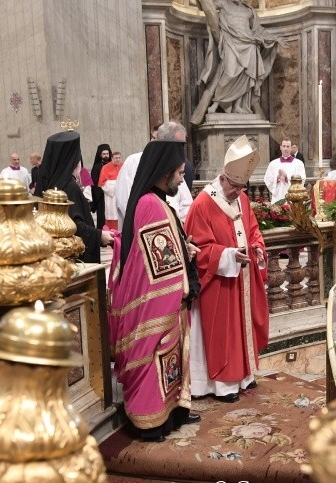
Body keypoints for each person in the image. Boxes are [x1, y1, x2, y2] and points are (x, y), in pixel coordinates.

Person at [108, 140, 201, 441]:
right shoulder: (149, 203)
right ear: (164, 172)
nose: (181, 179)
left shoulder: (158, 201)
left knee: (169, 357)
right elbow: (158, 263)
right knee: (153, 357)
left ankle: (173, 413)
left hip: (168, 297)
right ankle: (150, 423)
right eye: (178, 174)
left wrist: (183, 248)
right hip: (156, 299)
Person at [185, 135, 269, 402]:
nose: (238, 192)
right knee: (223, 332)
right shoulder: (203, 203)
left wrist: (256, 248)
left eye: (242, 187)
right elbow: (198, 249)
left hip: (243, 278)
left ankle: (244, 376)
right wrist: (230, 255)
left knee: (242, 328)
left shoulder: (242, 199)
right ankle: (221, 384)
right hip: (218, 283)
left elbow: (253, 230)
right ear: (222, 178)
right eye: (234, 186)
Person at [191, 0, 281, 124]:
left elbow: (257, 30)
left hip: (249, 44)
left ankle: (238, 106)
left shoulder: (249, 10)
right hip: (231, 41)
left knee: (246, 76)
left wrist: (274, 38)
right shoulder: (223, 3)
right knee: (229, 73)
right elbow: (205, 5)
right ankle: (216, 103)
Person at [37, 131, 113, 264]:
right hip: (74, 259)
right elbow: (74, 226)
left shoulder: (53, 184)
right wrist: (99, 235)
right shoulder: (69, 187)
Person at [115, 121, 194, 229]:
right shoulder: (133, 162)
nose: (180, 151)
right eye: (179, 145)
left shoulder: (177, 165)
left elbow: (186, 203)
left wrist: (178, 229)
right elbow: (124, 202)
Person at [263, 137, 306, 203]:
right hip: (278, 197)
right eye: (284, 146)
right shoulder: (273, 163)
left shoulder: (299, 163)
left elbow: (302, 179)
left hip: (293, 199)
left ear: (291, 148)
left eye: (288, 146)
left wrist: (286, 177)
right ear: (281, 147)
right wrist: (277, 178)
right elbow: (267, 179)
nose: (285, 149)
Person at [99, 151, 123, 230]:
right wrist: (116, 184)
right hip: (111, 197)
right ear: (112, 158)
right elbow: (102, 183)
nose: (118, 160)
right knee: (112, 216)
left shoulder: (123, 166)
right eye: (116, 158)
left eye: (119, 158)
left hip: (122, 195)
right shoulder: (105, 168)